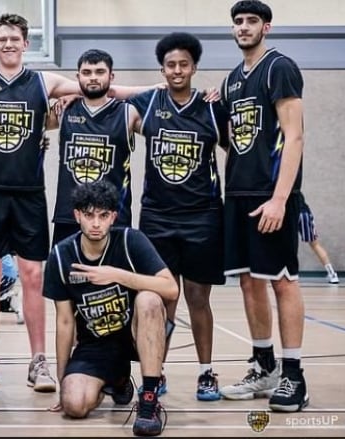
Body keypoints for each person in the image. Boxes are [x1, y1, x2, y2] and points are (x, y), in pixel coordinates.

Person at [0, 13, 155, 393]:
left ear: (25, 44)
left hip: (30, 194)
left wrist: (158, 87)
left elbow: (101, 89)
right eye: (3, 39)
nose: (9, 44)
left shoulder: (44, 82)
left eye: (15, 38)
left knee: (32, 278)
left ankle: (38, 361)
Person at [128, 32, 229, 401]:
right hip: (157, 217)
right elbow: (109, 95)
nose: (177, 70)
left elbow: (238, 146)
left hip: (203, 216)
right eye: (170, 65)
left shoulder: (211, 107)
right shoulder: (150, 102)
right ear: (162, 68)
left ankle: (206, 373)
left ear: (194, 67)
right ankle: (158, 372)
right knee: (162, 300)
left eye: (184, 64)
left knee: (199, 299)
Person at [218, 0, 309, 412]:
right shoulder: (233, 79)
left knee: (282, 280)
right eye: (238, 21)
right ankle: (264, 364)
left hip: (271, 195)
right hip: (237, 194)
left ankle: (294, 375)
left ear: (266, 27)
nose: (243, 27)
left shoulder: (279, 67)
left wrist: (280, 198)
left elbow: (295, 136)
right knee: (249, 281)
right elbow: (234, 139)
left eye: (251, 21)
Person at [43, 180, 178, 437]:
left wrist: (117, 275)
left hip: (137, 335)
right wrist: (62, 380)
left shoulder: (131, 241)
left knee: (149, 299)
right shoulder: (61, 256)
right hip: (96, 344)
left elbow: (171, 288)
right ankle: (116, 379)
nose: (96, 223)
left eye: (103, 216)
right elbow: (64, 322)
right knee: (74, 405)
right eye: (89, 215)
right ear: (77, 216)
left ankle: (149, 400)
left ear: (113, 217)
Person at [47, 49, 137, 245]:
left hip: (113, 216)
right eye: (87, 73)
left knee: (113, 276)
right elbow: (27, 119)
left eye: (99, 72)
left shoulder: (129, 113)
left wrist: (202, 96)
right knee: (65, 275)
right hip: (70, 214)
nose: (93, 77)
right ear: (78, 77)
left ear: (111, 76)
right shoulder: (63, 110)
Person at [298, 193, 339, 284]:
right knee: (315, 245)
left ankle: (287, 275)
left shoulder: (278, 188)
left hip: (291, 214)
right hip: (305, 213)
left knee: (285, 245)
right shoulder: (297, 189)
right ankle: (332, 274)